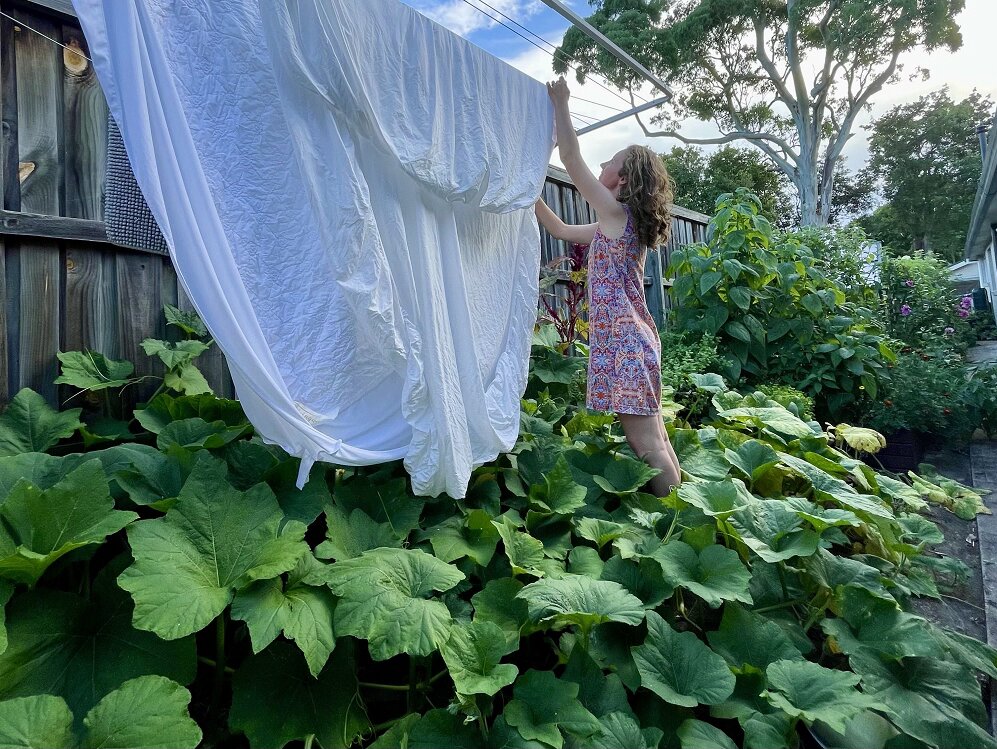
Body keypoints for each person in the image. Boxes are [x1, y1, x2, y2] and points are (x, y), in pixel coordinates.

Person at [534, 77, 681, 497]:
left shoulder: (617, 215)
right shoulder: (612, 228)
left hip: (626, 344)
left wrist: (562, 102)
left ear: (623, 180)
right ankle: (681, 509)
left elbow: (570, 157)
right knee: (656, 438)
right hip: (632, 341)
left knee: (646, 442)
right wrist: (526, 190)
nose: (600, 169)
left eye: (608, 163)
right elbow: (559, 227)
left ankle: (675, 518)